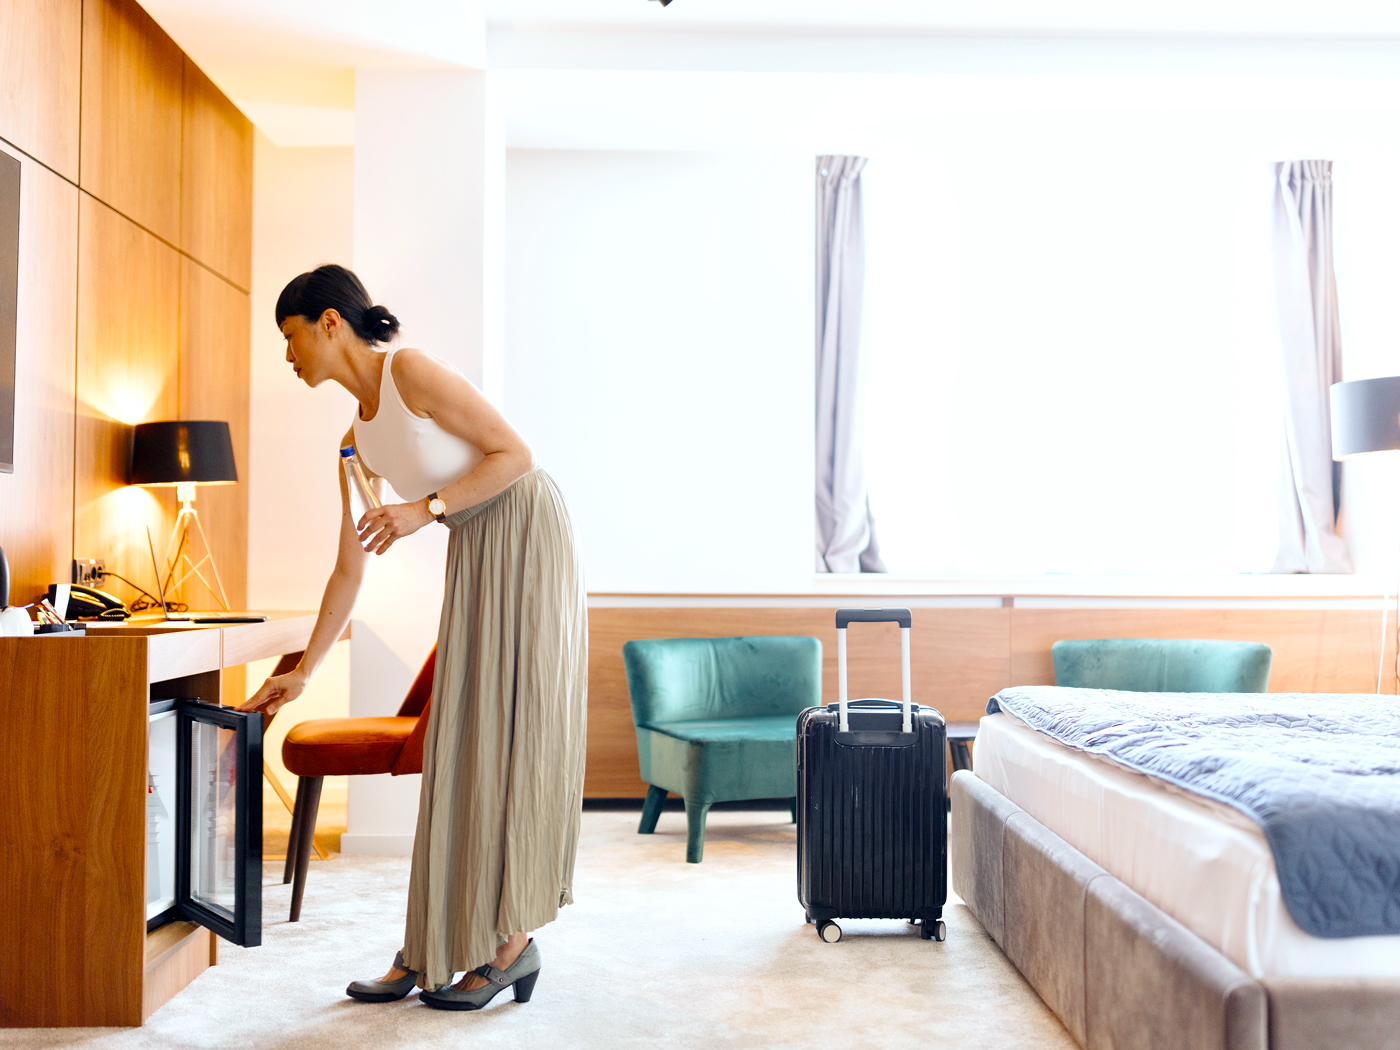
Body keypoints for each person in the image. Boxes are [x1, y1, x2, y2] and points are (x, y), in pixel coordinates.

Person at [241, 264, 587, 1010]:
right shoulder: (352, 442)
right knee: (461, 741)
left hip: (526, 533)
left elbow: (516, 456)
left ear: (330, 322)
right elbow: (346, 569)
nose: (289, 355)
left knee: (507, 737)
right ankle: (428, 944)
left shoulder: (413, 372)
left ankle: (511, 946)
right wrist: (303, 673)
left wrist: (424, 509)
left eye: (290, 336)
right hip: (476, 544)